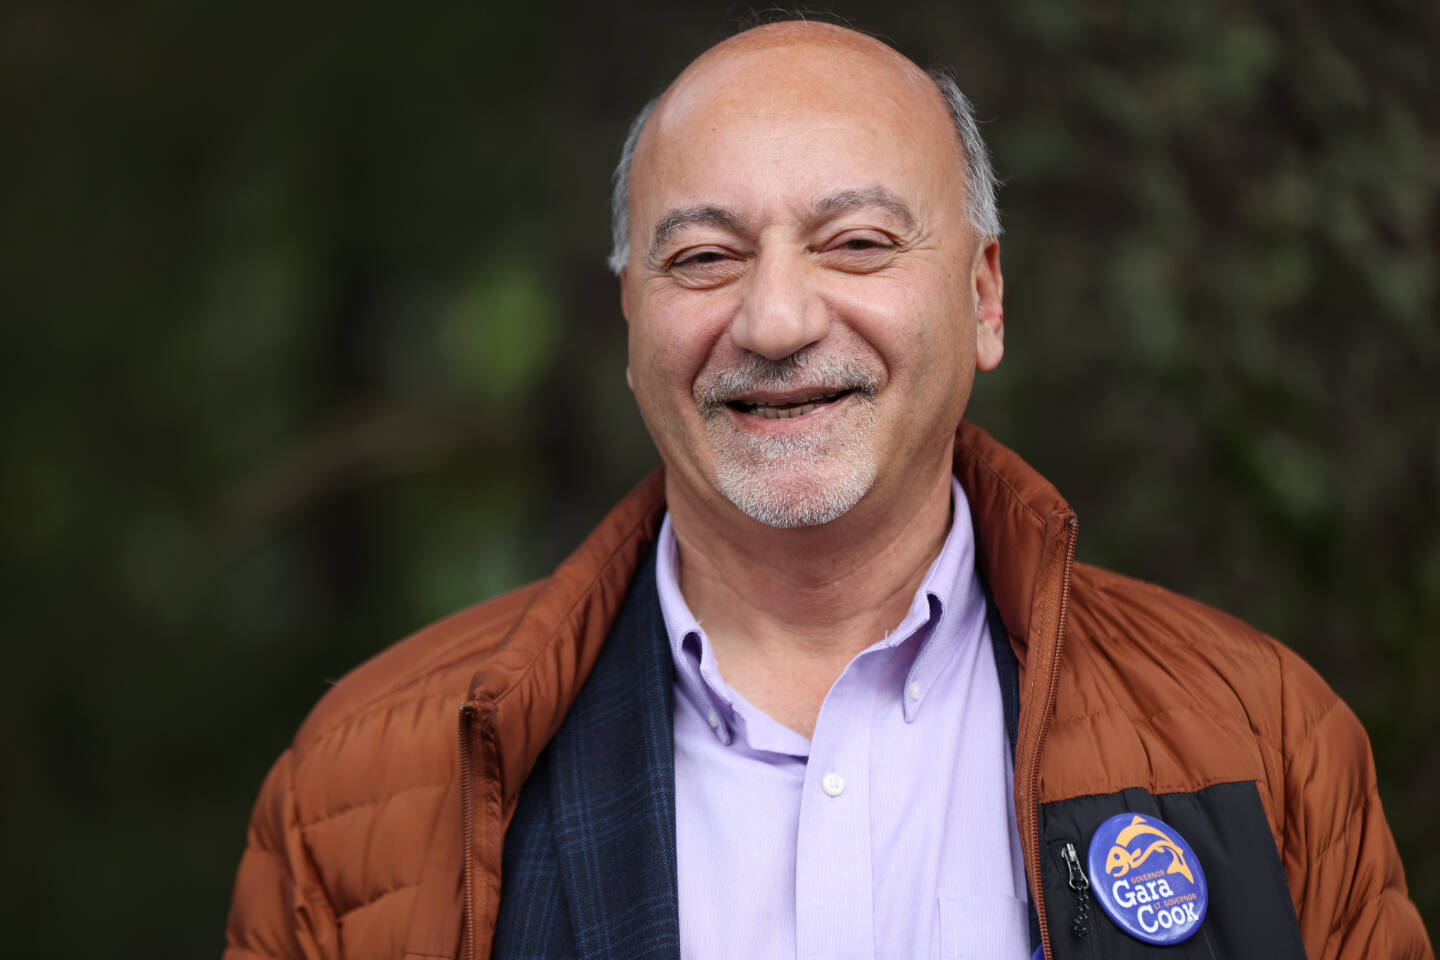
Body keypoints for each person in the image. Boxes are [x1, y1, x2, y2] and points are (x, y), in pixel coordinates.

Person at [223, 20, 1432, 960]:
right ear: (630, 321)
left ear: (983, 297)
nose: (778, 318)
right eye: (703, 259)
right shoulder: (362, 783)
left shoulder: (1260, 733)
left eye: (856, 243)